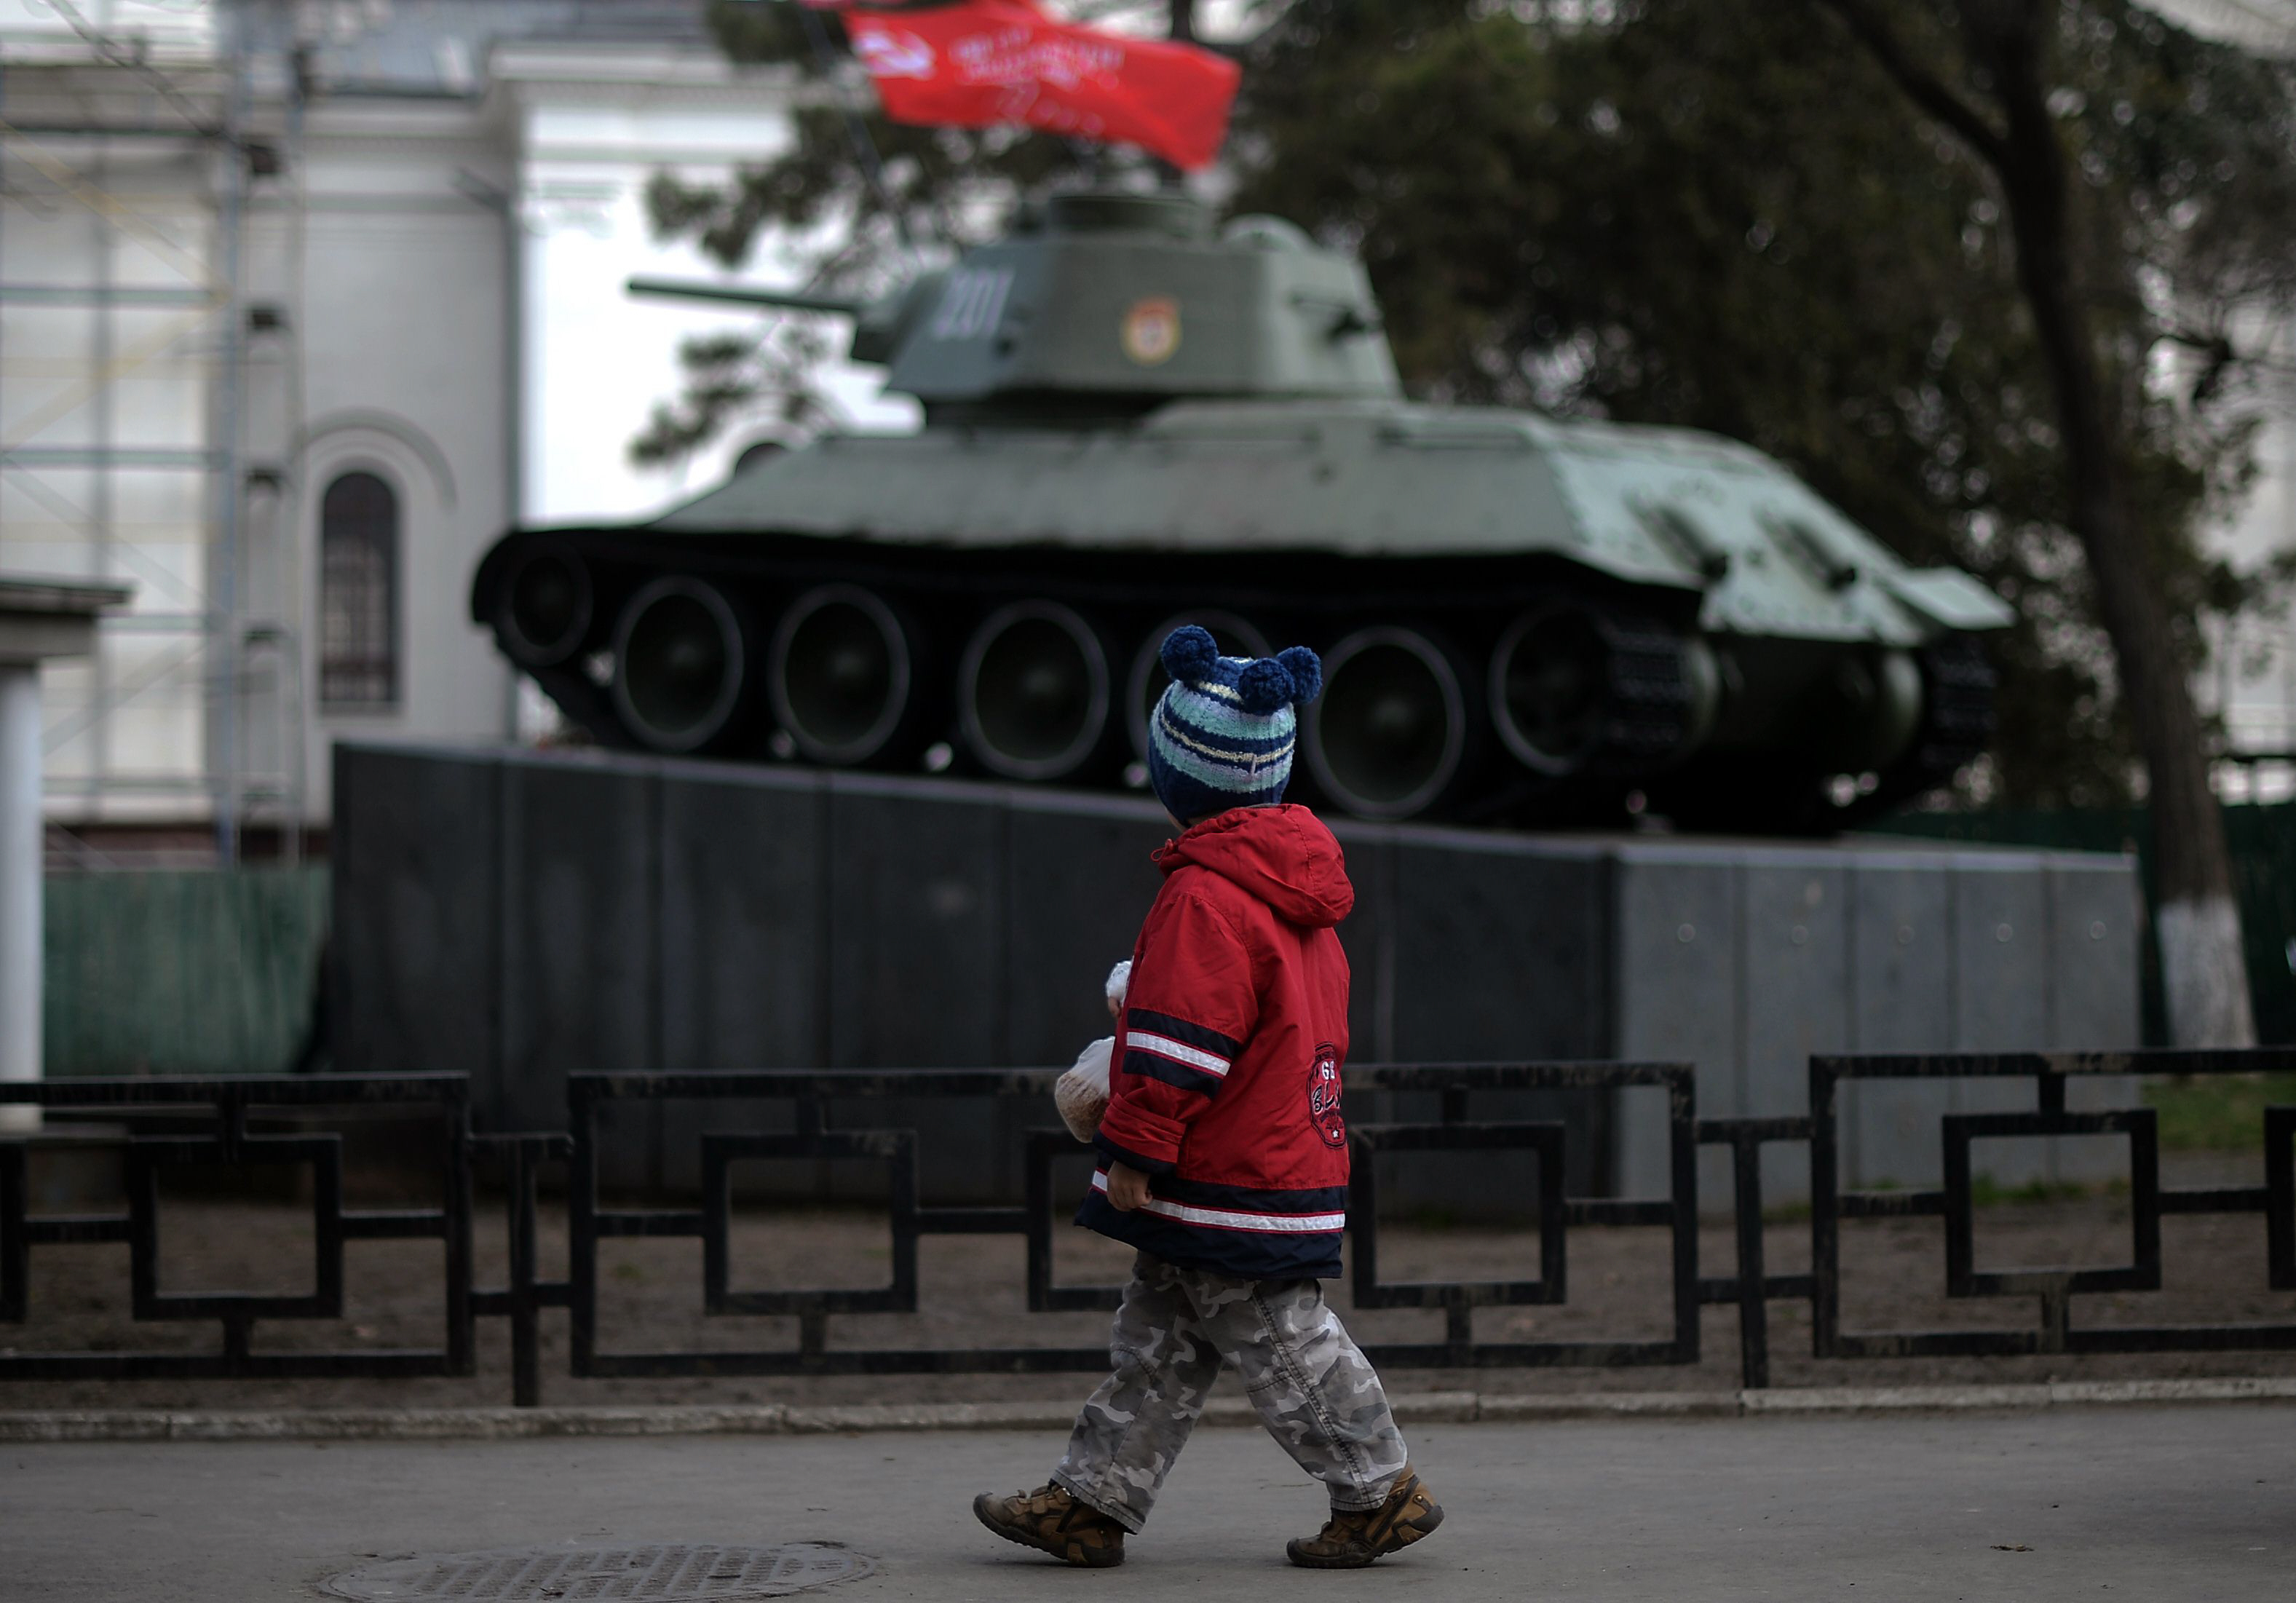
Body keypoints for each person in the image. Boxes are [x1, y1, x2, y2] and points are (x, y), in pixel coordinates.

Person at [973, 625, 1444, 1570]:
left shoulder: (1204, 894)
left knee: (1278, 1334)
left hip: (1225, 1170)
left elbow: (1177, 1044)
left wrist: (1133, 1152)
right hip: (1271, 1147)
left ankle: (1378, 1485)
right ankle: (1093, 1497)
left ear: (1174, 772)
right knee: (1157, 1334)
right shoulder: (1295, 895)